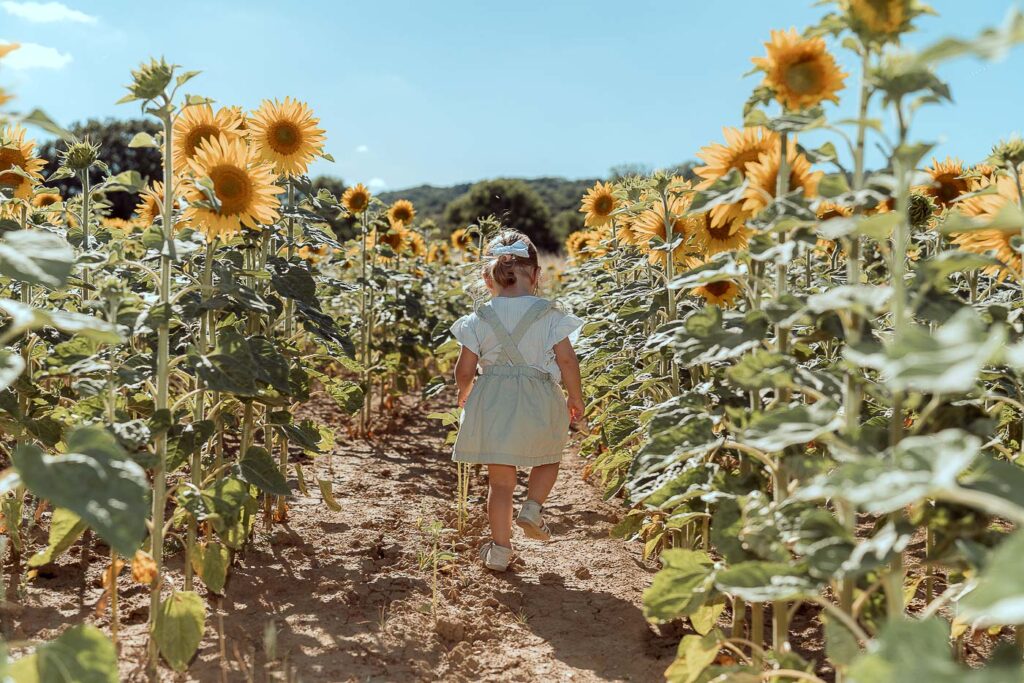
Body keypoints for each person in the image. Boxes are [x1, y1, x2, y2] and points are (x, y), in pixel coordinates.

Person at [449, 229, 585, 572]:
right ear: (537, 275)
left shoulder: (479, 318)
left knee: (500, 484)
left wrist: (465, 393)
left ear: (487, 276)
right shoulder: (551, 314)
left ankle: (499, 551)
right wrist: (575, 396)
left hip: (494, 398)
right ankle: (534, 507)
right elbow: (568, 360)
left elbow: (464, 370)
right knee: (549, 456)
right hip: (540, 395)